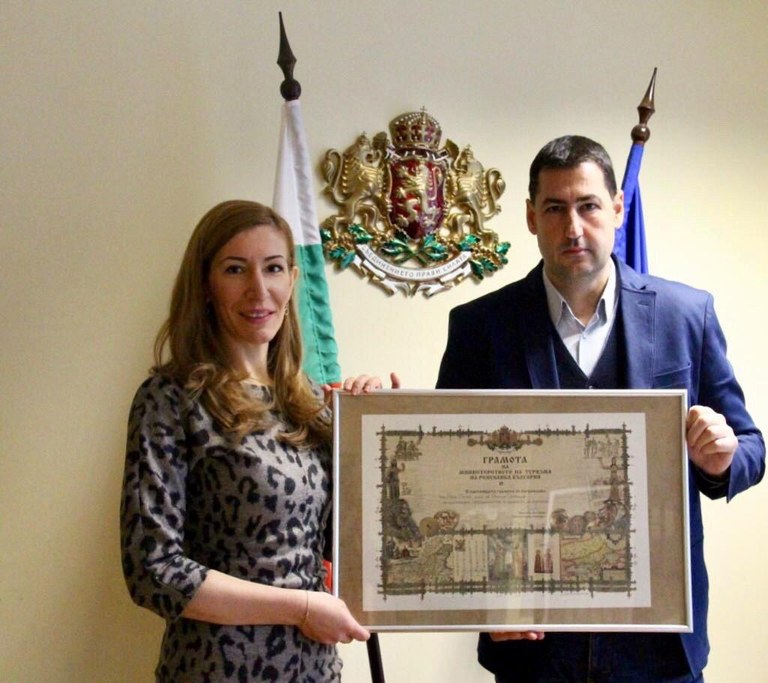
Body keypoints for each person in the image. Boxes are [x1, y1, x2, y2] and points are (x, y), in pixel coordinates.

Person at [436, 136, 765, 682]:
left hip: (660, 643)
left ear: (617, 209)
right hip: (533, 648)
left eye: (588, 206)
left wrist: (722, 457)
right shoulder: (480, 327)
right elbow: (447, 478)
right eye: (554, 208)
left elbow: (753, 449)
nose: (573, 227)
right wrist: (481, 600)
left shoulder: (687, 315)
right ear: (530, 217)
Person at [120, 200, 388, 682]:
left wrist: (379, 432)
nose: (258, 290)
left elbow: (352, 547)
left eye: (273, 268)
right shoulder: (171, 399)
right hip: (217, 670)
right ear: (205, 284)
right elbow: (154, 571)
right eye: (235, 269)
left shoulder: (312, 403)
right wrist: (301, 608)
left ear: (292, 280)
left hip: (314, 670)